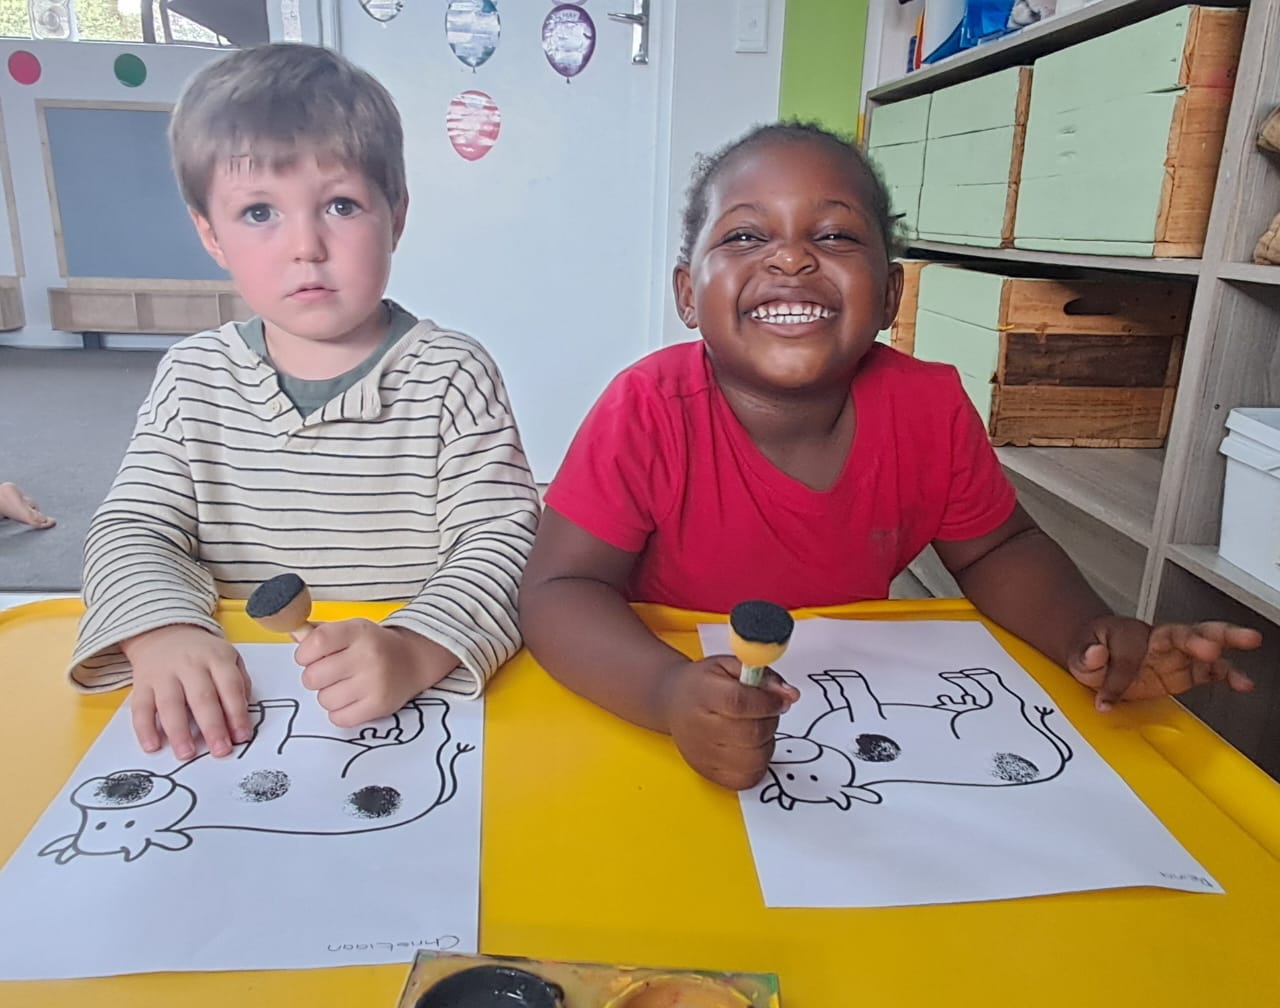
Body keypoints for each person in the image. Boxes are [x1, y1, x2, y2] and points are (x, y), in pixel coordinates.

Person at [519, 122, 1262, 791]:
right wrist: (667, 694)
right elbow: (559, 590)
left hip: (851, 710)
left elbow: (998, 549)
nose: (791, 257)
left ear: (890, 295)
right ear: (688, 293)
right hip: (652, 700)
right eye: (744, 236)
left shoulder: (928, 408)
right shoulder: (647, 409)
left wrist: (1086, 635)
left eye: (835, 235)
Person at [69, 44, 540, 763]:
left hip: (413, 718)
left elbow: (504, 542)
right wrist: (163, 631)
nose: (306, 246)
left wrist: (416, 647)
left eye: (341, 206)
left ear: (396, 215)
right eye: (259, 212)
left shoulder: (451, 374)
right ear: (210, 234)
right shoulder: (193, 378)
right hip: (236, 721)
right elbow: (134, 528)